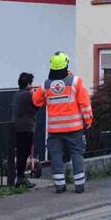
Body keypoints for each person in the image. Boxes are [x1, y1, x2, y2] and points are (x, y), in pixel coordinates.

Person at [32, 51, 93, 194]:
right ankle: (79, 185)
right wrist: (88, 120)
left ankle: (59, 185)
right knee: (76, 154)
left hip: (54, 130)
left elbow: (36, 100)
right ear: (66, 64)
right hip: (74, 127)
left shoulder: (45, 85)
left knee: (56, 155)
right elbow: (85, 104)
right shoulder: (75, 82)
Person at [10, 72, 37, 188]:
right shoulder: (28, 94)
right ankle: (20, 178)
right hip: (26, 128)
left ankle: (19, 177)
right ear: (29, 84)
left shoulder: (16, 95)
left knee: (20, 153)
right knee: (24, 154)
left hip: (16, 127)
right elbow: (37, 105)